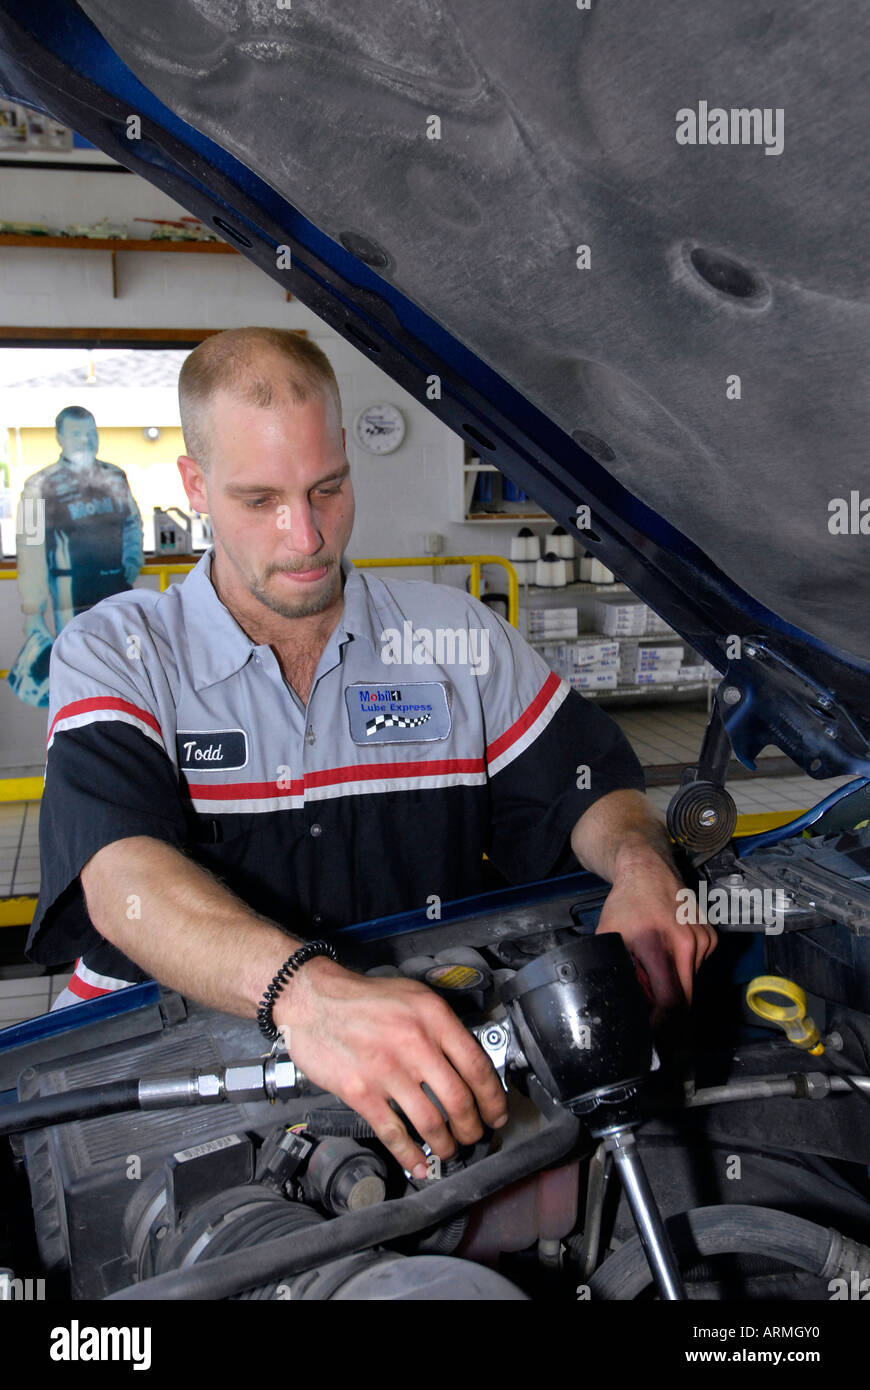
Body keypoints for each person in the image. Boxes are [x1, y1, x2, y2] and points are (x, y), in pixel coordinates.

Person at [27, 327, 714, 1178]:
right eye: (259, 500)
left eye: (328, 488)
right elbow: (121, 878)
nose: (306, 535)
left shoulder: (454, 636)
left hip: (435, 1082)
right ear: (195, 487)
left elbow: (590, 789)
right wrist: (302, 994)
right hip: (165, 1091)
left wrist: (644, 868)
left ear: (349, 457)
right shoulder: (121, 651)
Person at [8, 405, 143, 707]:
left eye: (91, 433)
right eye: (77, 434)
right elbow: (29, 550)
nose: (86, 440)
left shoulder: (115, 476)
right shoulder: (37, 486)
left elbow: (133, 523)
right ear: (59, 437)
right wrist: (33, 610)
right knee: (79, 680)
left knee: (124, 675)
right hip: (70, 598)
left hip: (118, 591)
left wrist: (131, 565)